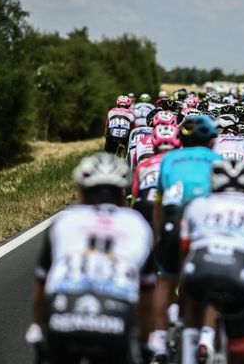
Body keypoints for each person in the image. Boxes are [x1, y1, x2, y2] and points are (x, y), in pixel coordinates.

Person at [27, 153, 157, 364]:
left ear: (81, 192)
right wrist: (143, 342)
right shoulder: (138, 224)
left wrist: (41, 329)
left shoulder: (64, 221)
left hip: (63, 314)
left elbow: (40, 289)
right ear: (123, 193)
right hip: (115, 319)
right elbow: (147, 298)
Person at [179, 160, 244, 364]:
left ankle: (197, 343)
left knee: (197, 297)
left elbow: (183, 260)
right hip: (239, 277)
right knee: (242, 349)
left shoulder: (197, 205)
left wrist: (179, 309)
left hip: (200, 270)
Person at [150, 115, 222, 362]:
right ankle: (206, 337)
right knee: (212, 281)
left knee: (166, 281)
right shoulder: (217, 160)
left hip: (173, 219)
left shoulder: (168, 159)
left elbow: (158, 206)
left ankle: (158, 340)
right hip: (204, 222)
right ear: (211, 141)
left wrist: (159, 236)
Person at [132, 125, 181, 224]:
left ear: (154, 147)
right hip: (172, 207)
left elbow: (134, 195)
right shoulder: (181, 164)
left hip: (145, 206)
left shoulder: (143, 165)